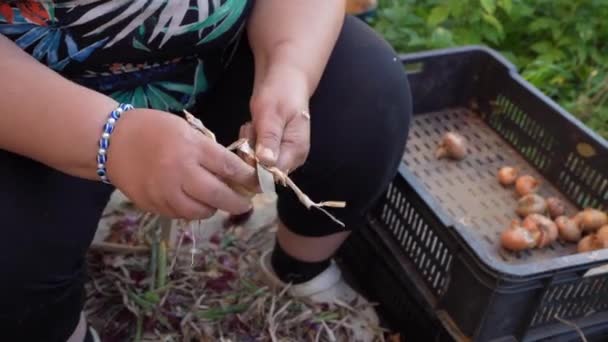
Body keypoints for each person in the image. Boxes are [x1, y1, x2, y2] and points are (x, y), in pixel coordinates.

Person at [0, 0, 411, 341]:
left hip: (211, 61)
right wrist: (112, 139)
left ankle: (298, 271)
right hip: (31, 107)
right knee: (13, 262)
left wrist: (289, 69)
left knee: (364, 98)